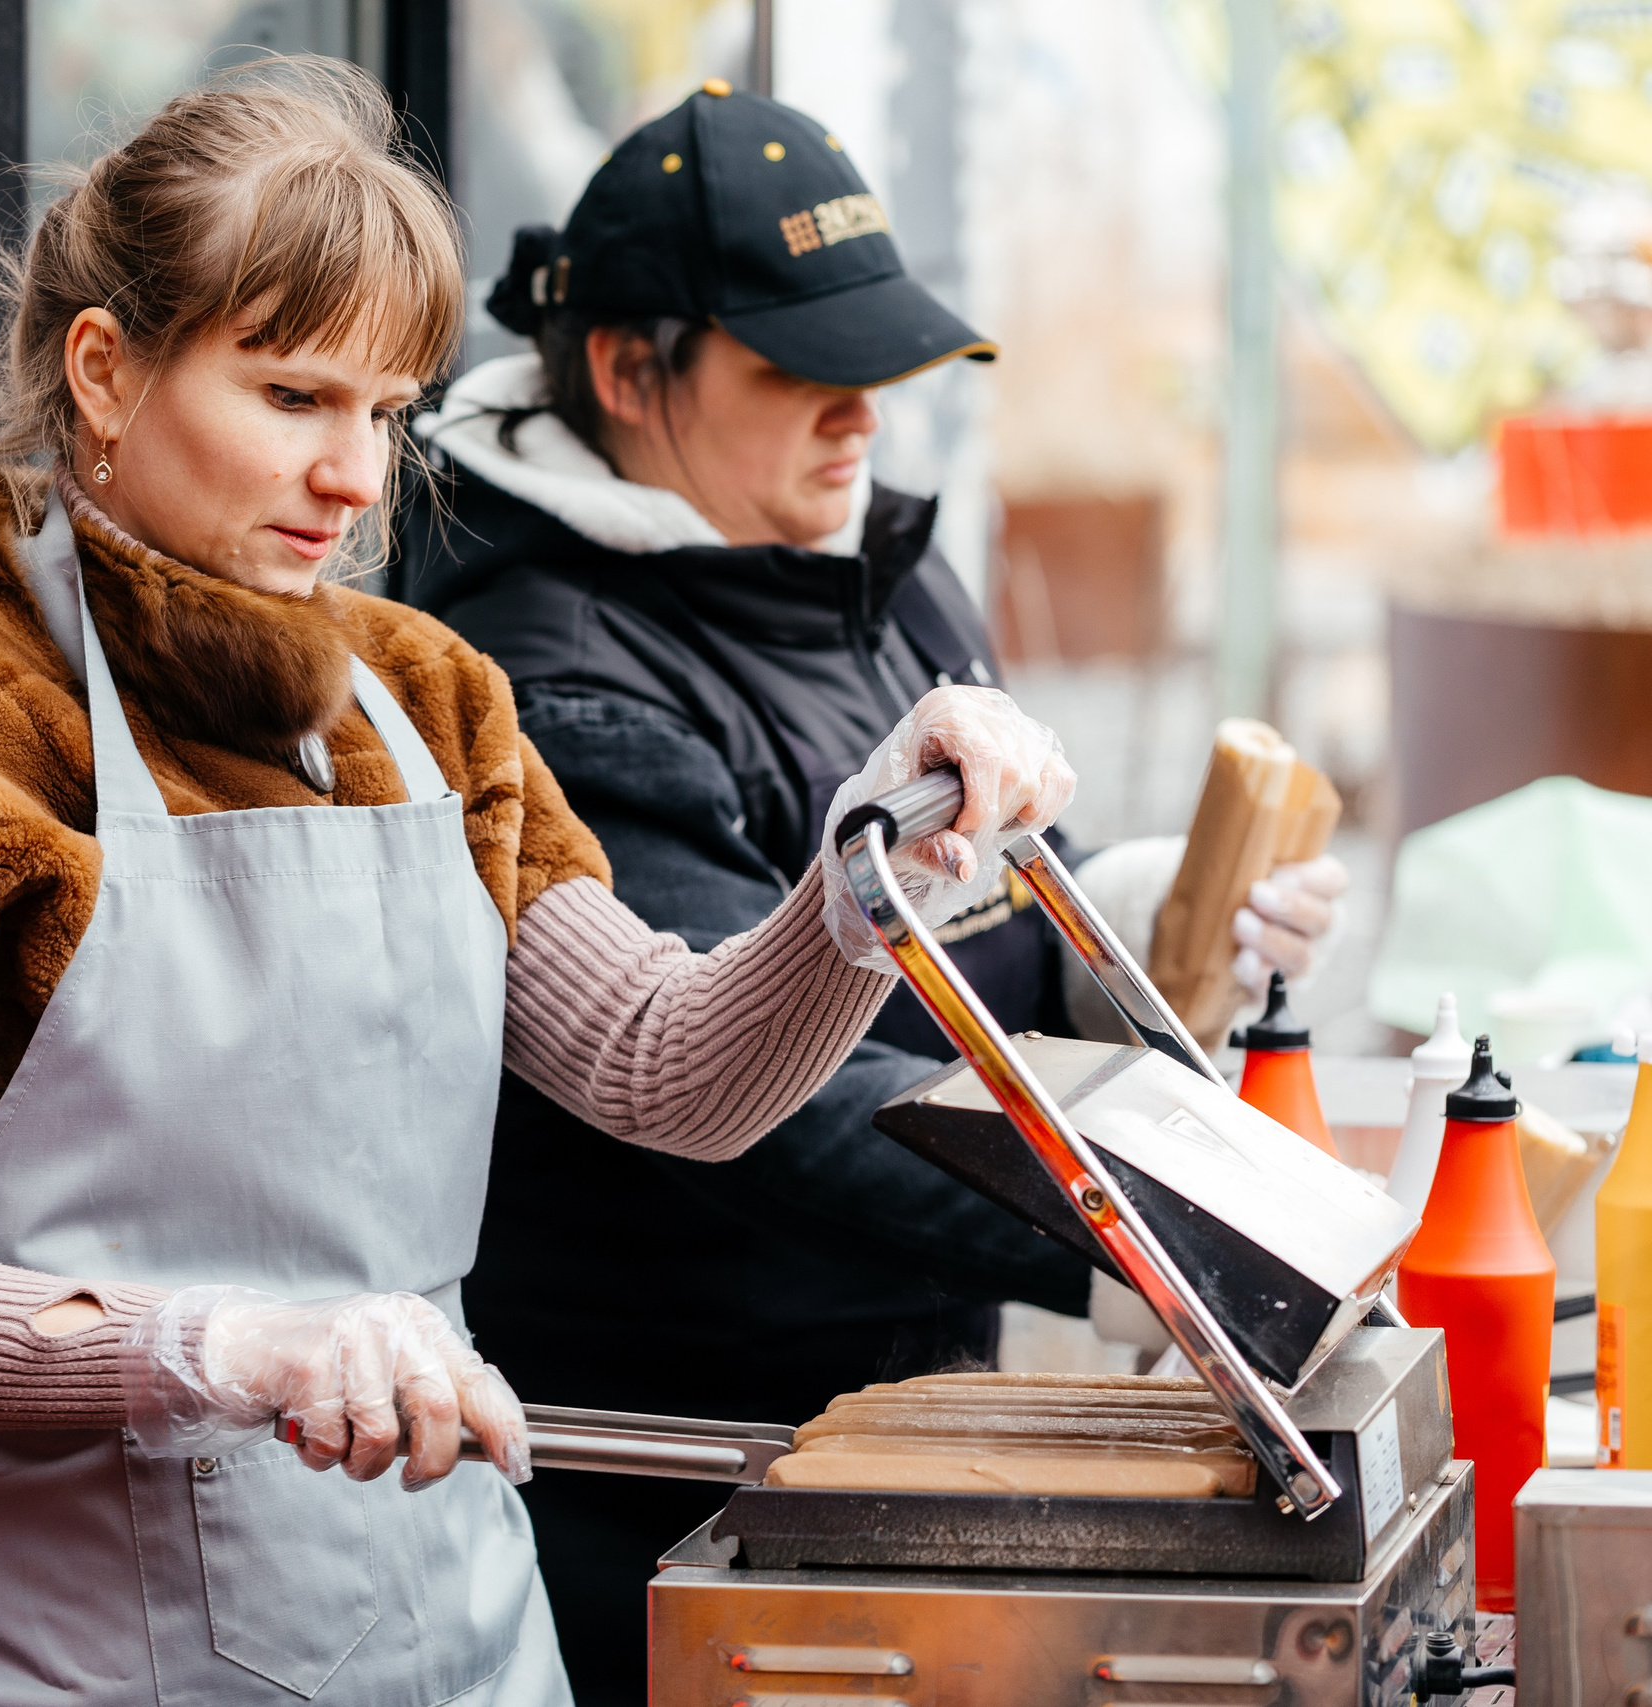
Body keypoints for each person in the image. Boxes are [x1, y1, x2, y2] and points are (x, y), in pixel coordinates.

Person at [0, 60, 1081, 1707]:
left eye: (386, 411)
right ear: (105, 371)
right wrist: (203, 1347)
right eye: (293, 397)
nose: (356, 478)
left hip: (430, 1634)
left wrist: (858, 887)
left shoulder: (421, 696)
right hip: (18, 1655)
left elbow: (666, 1071)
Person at [398, 87, 1352, 1707]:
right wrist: (1133, 1245)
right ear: (630, 370)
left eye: (880, 369)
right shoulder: (554, 674)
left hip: (897, 1421)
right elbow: (760, 1084)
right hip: (677, 1473)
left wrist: (1124, 913)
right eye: (801, 371)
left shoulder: (870, 563)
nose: (862, 417)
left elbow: (944, 929)